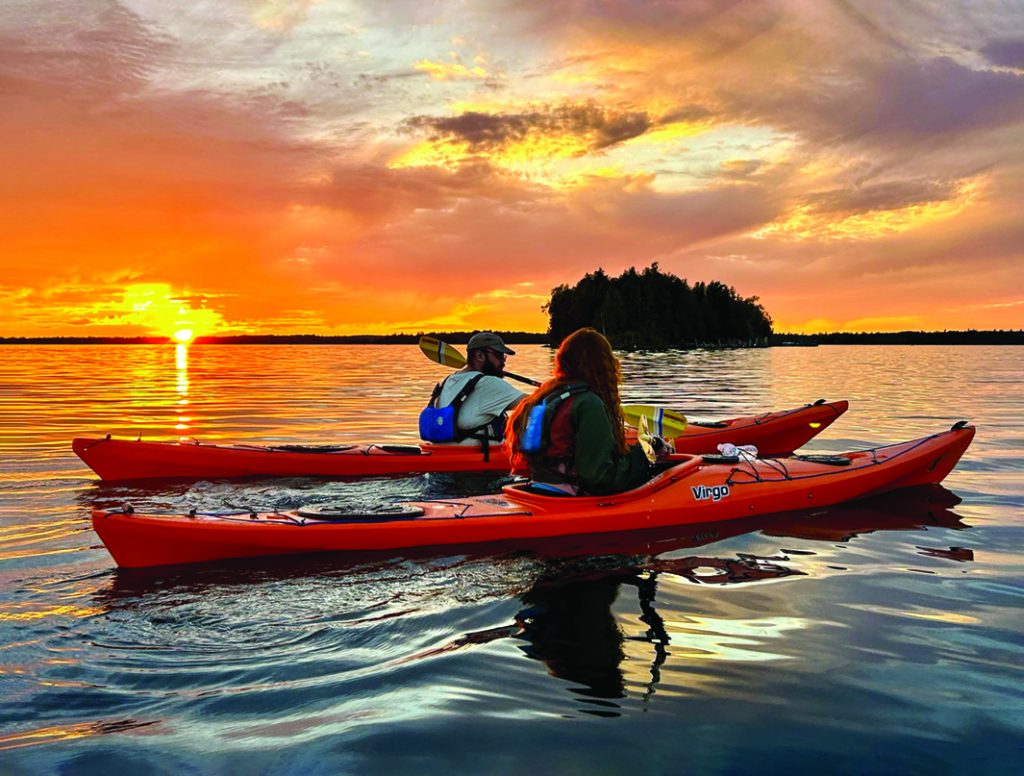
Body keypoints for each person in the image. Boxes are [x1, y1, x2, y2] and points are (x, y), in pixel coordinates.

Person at [505, 327, 671, 496]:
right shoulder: (589, 403)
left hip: (538, 489)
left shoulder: (547, 395)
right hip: (570, 496)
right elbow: (600, 478)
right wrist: (644, 454)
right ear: (604, 365)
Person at [424, 331, 525, 447]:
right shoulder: (488, 383)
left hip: (443, 454)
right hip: (477, 460)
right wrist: (549, 388)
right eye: (498, 355)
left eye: (504, 357)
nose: (503, 362)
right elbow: (533, 404)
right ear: (479, 356)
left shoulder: (447, 381)